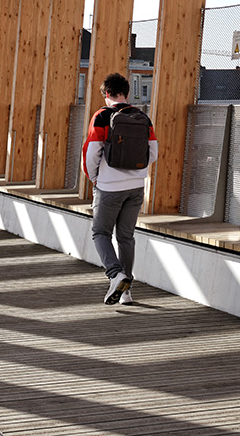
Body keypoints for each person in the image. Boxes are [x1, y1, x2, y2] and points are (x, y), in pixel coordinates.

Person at [81, 72, 158, 305]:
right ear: (126, 93)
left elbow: (91, 153)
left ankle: (115, 274)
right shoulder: (142, 117)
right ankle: (126, 292)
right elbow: (153, 153)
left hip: (109, 187)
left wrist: (96, 178)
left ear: (107, 93)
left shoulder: (102, 116)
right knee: (126, 237)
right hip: (136, 187)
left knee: (100, 232)